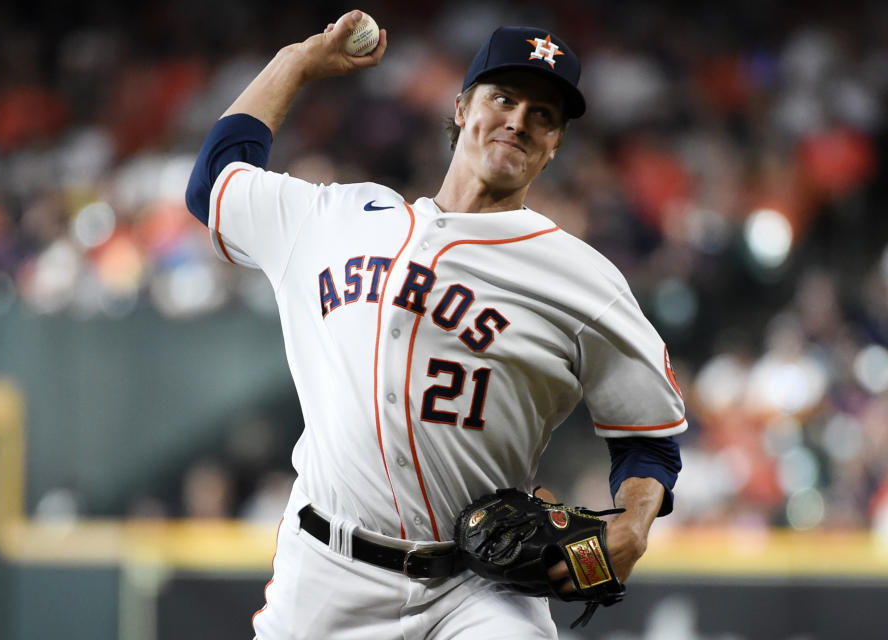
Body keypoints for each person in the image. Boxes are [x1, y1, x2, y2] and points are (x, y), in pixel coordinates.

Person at [185, 11, 685, 640]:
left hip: (479, 591)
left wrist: (633, 524)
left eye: (543, 115)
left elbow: (649, 438)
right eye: (503, 98)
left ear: (555, 144)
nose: (518, 121)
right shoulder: (334, 219)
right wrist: (297, 62)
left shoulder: (584, 280)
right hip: (325, 575)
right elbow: (214, 184)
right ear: (460, 107)